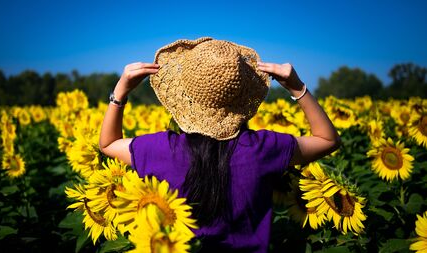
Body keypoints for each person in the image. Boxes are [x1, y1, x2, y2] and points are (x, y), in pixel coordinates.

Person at [99, 37, 341, 252]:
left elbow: (108, 144)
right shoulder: (263, 148)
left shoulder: (161, 149)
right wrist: (297, 87)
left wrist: (120, 91)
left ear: (184, 98)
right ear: (241, 96)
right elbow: (328, 140)